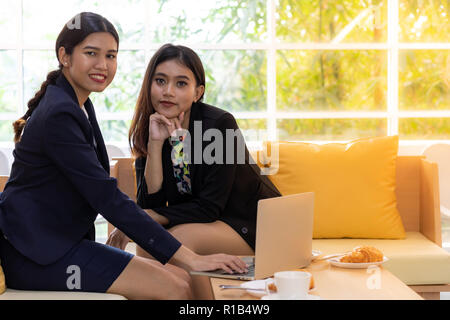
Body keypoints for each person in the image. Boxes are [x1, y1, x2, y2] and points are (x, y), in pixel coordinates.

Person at [0, 12, 247, 300]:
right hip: (36, 252)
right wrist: (192, 258)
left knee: (180, 276)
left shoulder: (78, 104)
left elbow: (201, 205)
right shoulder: (60, 112)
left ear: (198, 91)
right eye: (91, 53)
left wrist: (183, 255)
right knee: (177, 285)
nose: (103, 65)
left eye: (111, 56)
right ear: (64, 56)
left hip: (57, 244)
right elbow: (106, 195)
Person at [108, 44, 280, 259]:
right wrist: (155, 145)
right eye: (160, 81)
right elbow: (152, 204)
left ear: (197, 92)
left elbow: (207, 208)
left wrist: (135, 219)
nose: (168, 91)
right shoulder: (151, 127)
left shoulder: (219, 125)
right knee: (148, 243)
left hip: (257, 224)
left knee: (179, 241)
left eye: (181, 83)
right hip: (212, 224)